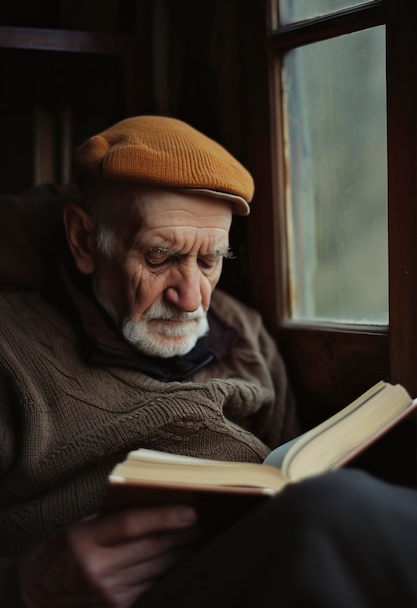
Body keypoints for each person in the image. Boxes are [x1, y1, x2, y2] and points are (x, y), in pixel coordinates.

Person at [1, 115, 417, 608]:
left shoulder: (244, 330)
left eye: (209, 260)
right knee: (330, 512)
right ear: (84, 241)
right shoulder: (11, 351)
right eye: (160, 257)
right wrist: (25, 584)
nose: (193, 298)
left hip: (273, 578)